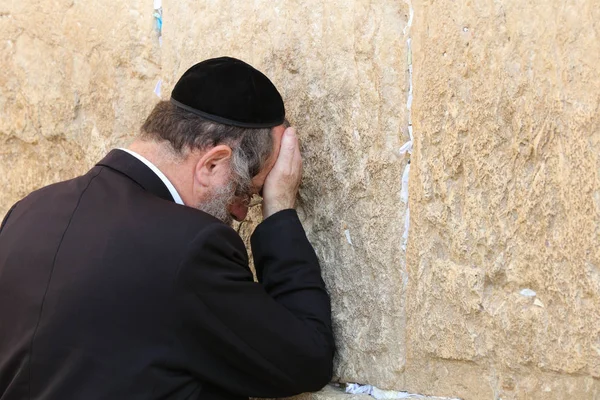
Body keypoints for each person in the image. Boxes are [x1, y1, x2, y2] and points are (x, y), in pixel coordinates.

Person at [0, 57, 334, 400]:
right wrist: (278, 209)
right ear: (213, 163)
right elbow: (305, 358)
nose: (238, 213)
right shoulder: (190, 247)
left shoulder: (28, 211)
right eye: (246, 192)